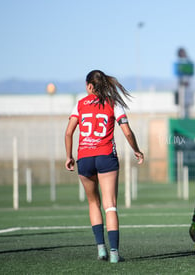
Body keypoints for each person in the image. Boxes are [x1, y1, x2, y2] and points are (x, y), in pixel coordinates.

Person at [65, 70, 144, 263]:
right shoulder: (113, 103)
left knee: (94, 203)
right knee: (110, 207)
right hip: (106, 157)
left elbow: (68, 133)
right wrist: (137, 150)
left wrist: (69, 156)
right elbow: (127, 131)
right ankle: (115, 253)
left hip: (84, 157)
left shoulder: (80, 104)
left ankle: (101, 249)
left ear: (89, 86)